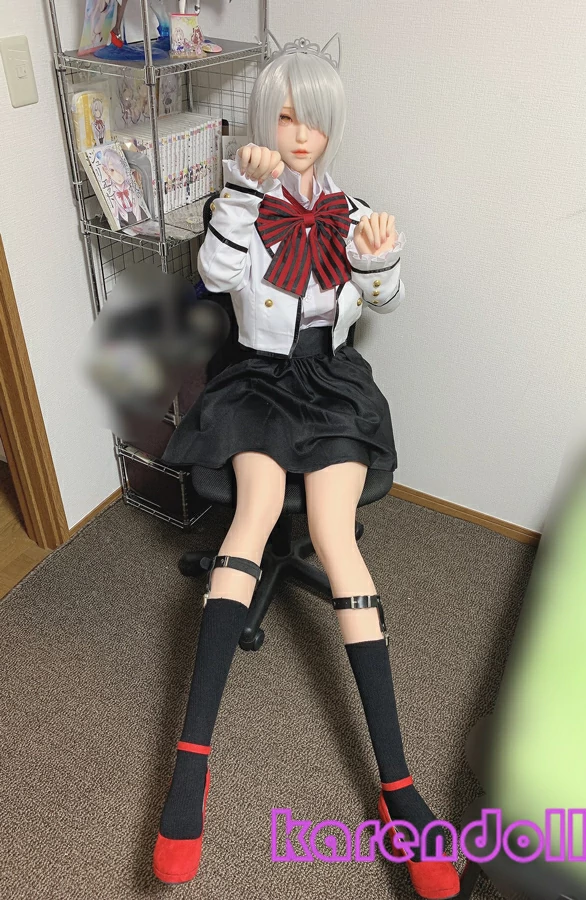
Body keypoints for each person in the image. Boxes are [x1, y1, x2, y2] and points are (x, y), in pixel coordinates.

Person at [153, 37, 460, 899]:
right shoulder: (242, 202)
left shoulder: (355, 210)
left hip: (331, 385)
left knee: (336, 536)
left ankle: (398, 787)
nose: (298, 135)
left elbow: (386, 299)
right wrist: (240, 196)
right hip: (256, 381)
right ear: (264, 122)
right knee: (251, 516)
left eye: (312, 121)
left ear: (330, 128)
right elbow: (215, 275)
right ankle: (191, 762)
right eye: (284, 117)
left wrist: (379, 258)